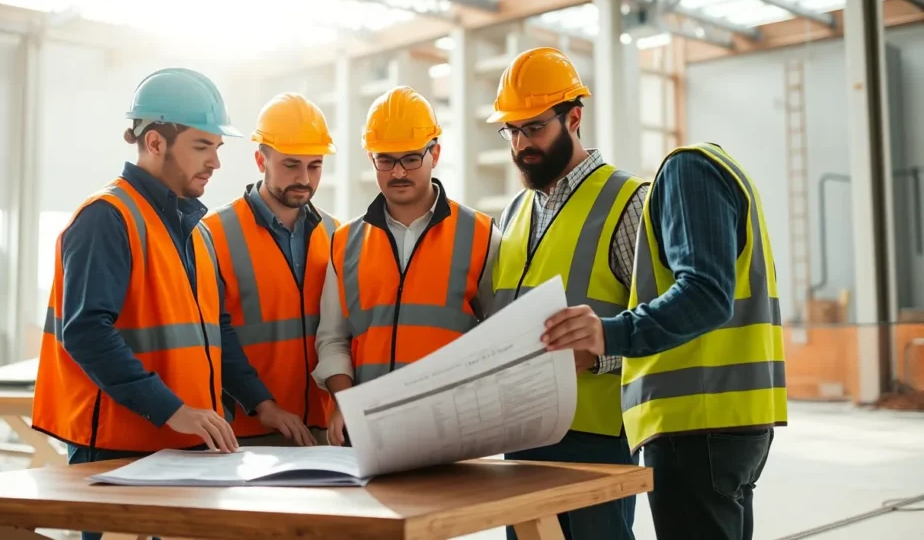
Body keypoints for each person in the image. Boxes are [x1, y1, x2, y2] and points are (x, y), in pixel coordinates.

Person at [32, 68, 305, 539]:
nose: (215, 162)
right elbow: (86, 332)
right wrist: (172, 409)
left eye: (217, 148)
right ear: (155, 142)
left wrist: (261, 403)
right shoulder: (106, 218)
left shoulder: (196, 231)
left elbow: (217, 330)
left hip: (184, 449)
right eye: (202, 146)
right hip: (119, 451)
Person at [543, 141, 787, 540]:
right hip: (733, 422)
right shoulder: (725, 171)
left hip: (696, 425)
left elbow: (706, 294)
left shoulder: (687, 169)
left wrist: (608, 333)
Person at [485, 47, 647, 540]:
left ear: (573, 118)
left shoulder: (628, 201)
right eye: (512, 130)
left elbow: (661, 325)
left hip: (596, 438)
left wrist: (597, 356)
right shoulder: (514, 213)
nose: (521, 144)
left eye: (534, 127)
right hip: (523, 433)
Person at [312, 85, 501, 446]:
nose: (398, 172)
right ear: (371, 159)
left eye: (411, 158)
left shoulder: (482, 235)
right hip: (369, 432)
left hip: (454, 434)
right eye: (385, 160)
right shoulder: (344, 242)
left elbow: (501, 336)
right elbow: (333, 339)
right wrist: (344, 403)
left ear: (435, 154)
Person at [201, 92, 340, 447]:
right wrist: (262, 404)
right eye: (291, 165)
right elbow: (214, 335)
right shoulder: (211, 234)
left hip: (322, 431)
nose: (304, 178)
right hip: (244, 433)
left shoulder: (336, 234)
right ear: (260, 160)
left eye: (315, 166)